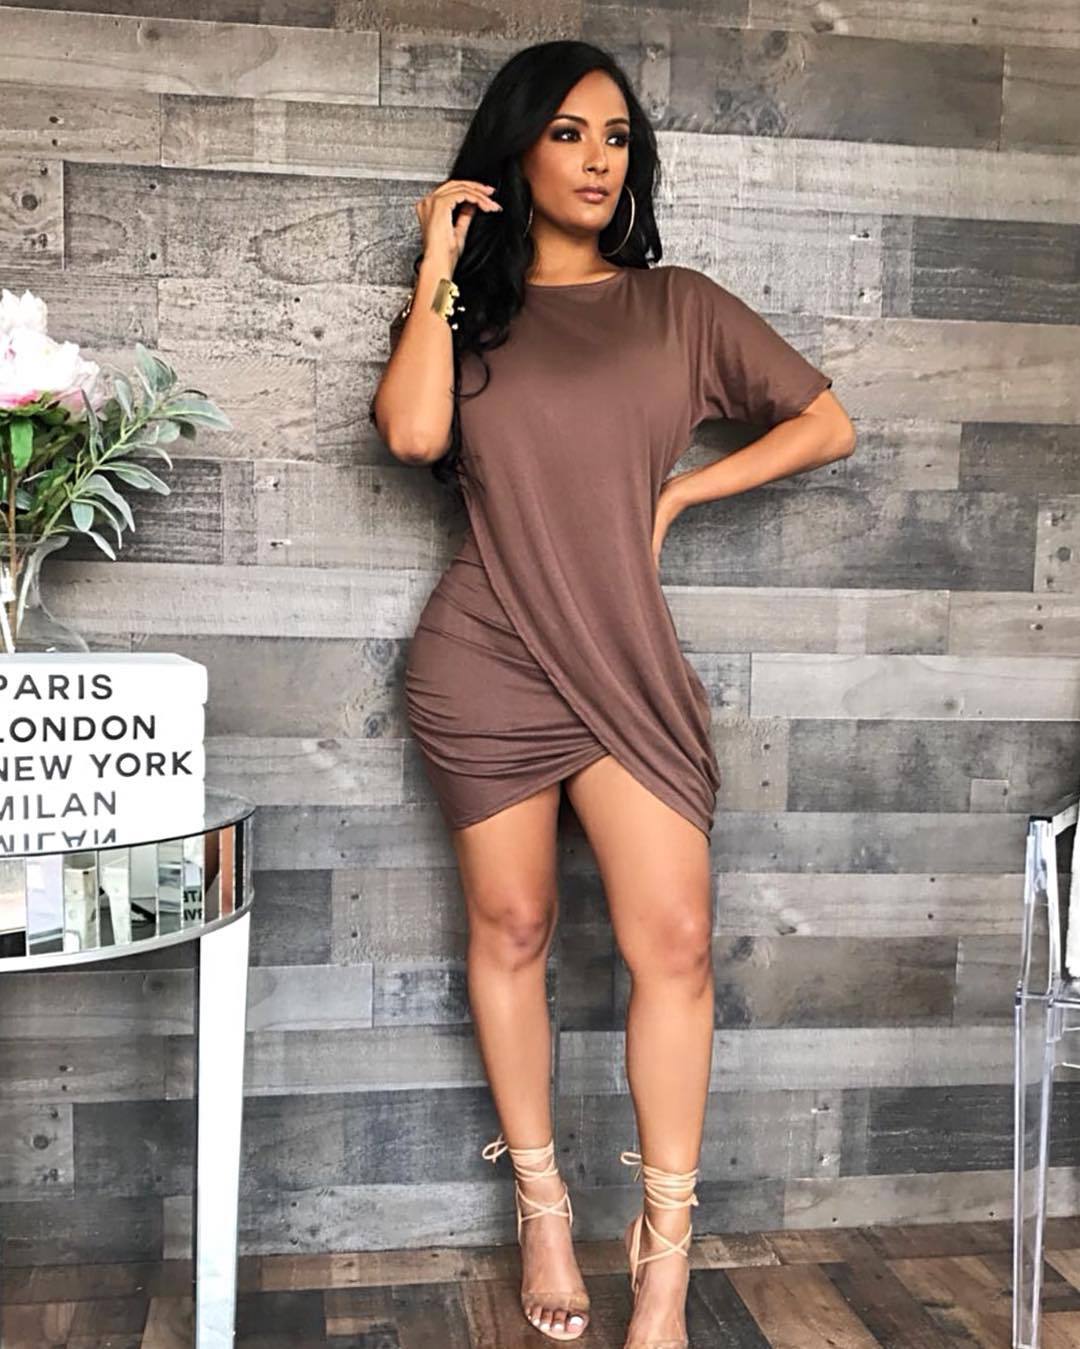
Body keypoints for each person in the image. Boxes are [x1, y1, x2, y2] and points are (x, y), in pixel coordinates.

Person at [370, 39, 856, 1349]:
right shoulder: (475, 313)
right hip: (486, 658)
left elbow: (826, 421)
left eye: (618, 138)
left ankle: (665, 1262)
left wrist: (683, 492)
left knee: (677, 943)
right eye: (570, 133)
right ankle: (541, 1205)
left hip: (625, 660)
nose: (598, 160)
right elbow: (413, 434)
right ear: (517, 150)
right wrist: (434, 266)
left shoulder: (677, 307)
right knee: (514, 924)